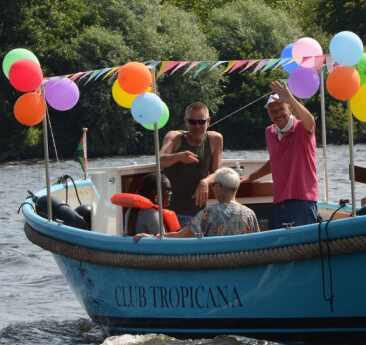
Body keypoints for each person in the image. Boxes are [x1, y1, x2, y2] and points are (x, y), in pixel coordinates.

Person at [240, 80, 319, 229]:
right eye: (273, 111)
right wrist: (250, 178)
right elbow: (275, 161)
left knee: (303, 247)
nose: (278, 114)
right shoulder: (269, 132)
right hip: (279, 201)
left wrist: (290, 98)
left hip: (303, 200)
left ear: (290, 109)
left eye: (281, 109)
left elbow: (311, 121)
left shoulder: (302, 128)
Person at [134, 168, 258, 241]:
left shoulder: (207, 213)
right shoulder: (249, 214)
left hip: (215, 268)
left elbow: (181, 236)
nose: (212, 188)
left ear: (219, 187)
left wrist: (150, 237)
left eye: (213, 185)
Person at [159, 102, 223, 226]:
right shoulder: (174, 137)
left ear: (208, 121)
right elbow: (160, 160)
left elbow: (216, 172)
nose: (197, 126)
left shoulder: (215, 139)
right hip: (170, 213)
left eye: (201, 122)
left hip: (197, 213)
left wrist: (205, 182)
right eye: (192, 122)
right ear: (186, 121)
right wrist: (179, 156)